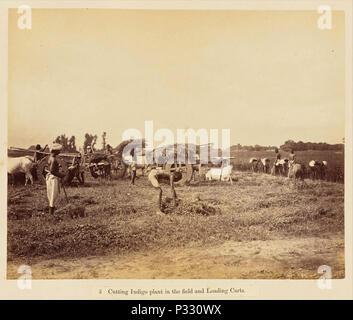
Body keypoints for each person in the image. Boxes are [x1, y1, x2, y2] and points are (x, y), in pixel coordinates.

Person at [46, 143, 65, 214]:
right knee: (53, 195)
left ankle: (51, 211)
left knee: (51, 195)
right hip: (53, 178)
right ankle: (51, 213)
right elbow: (52, 171)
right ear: (55, 151)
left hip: (49, 178)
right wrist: (61, 175)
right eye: (58, 151)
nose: (59, 152)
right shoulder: (54, 160)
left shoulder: (50, 158)